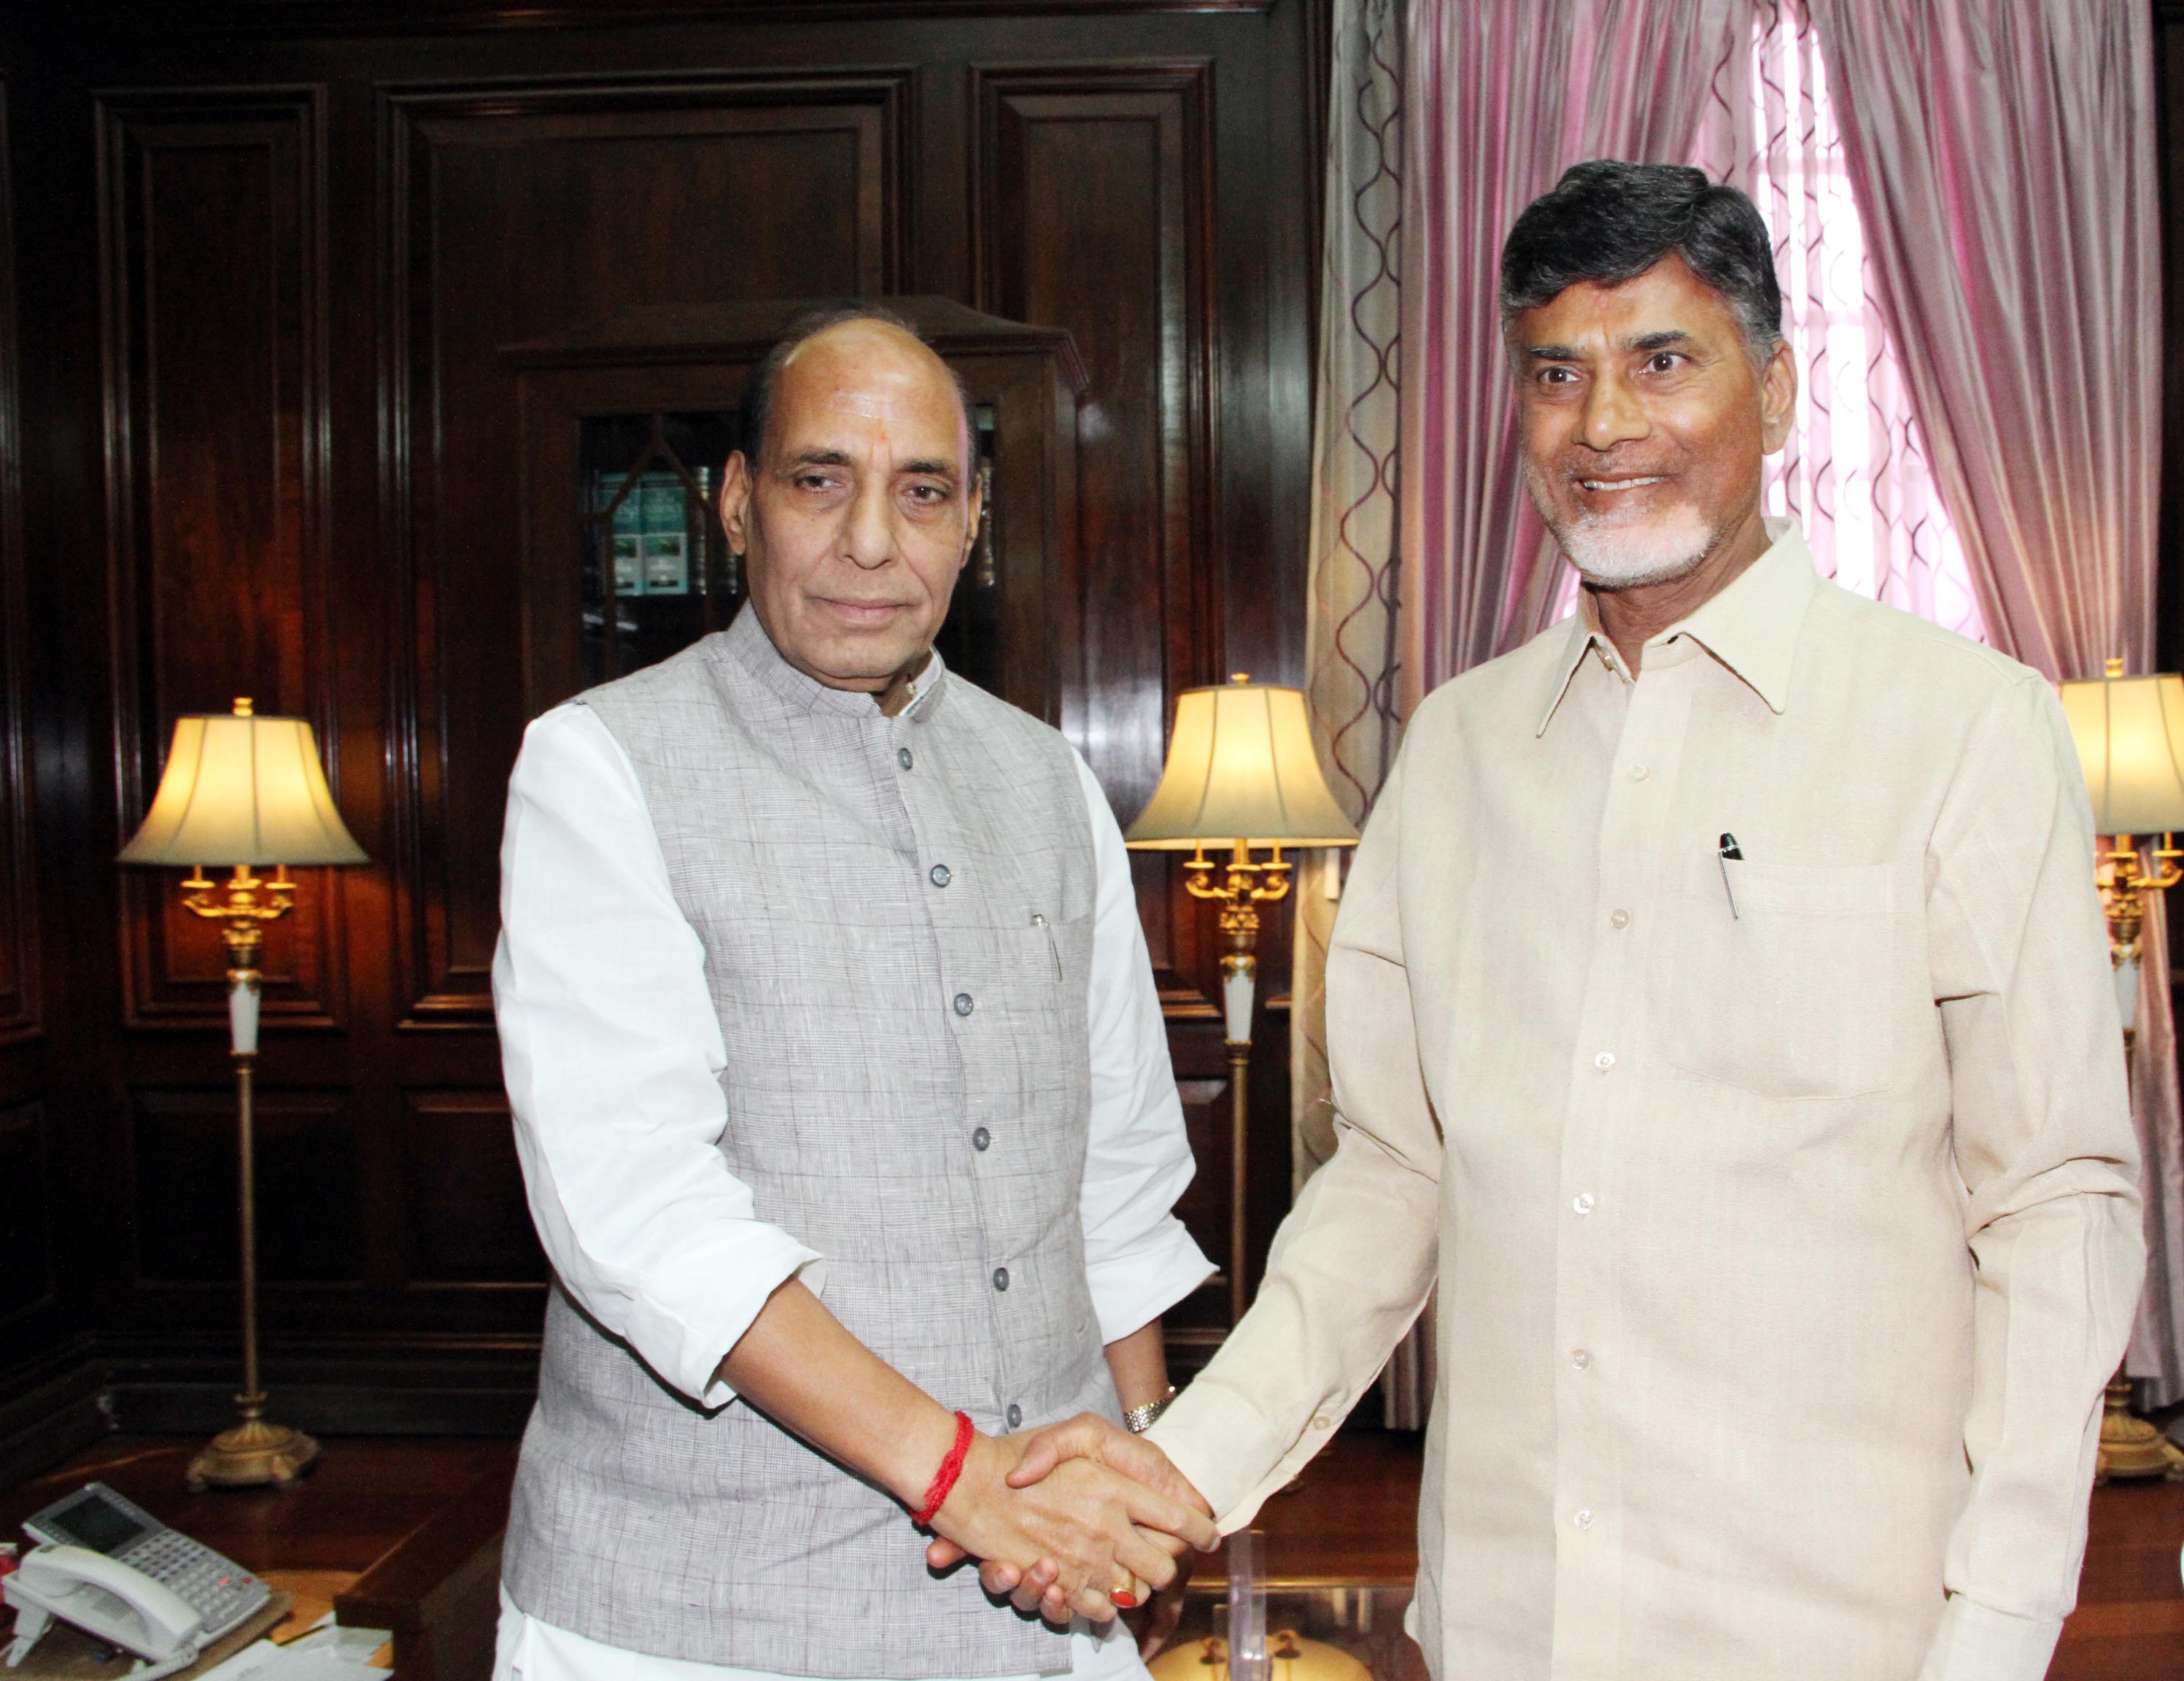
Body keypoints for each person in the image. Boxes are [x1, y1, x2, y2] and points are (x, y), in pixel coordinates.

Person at [987, 162, 2145, 1679]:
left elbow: (2053, 1205)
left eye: (1663, 360)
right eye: (1557, 375)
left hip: (1848, 1631)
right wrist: (1187, 1467)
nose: (1605, 427)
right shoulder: (1458, 753)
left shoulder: (1961, 731)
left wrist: (1998, 1629)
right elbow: (1393, 1179)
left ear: (1779, 391)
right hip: (1509, 1627)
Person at [489, 304, 1219, 1681]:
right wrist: (960, 1474)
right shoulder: (600, 767)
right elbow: (637, 1207)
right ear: (736, 503)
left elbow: (1111, 1181)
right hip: (701, 1625)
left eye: (922, 491)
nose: (870, 541)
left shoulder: (1051, 782)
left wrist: (1141, 1481)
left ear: (973, 523)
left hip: (1051, 1605)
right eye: (820, 479)